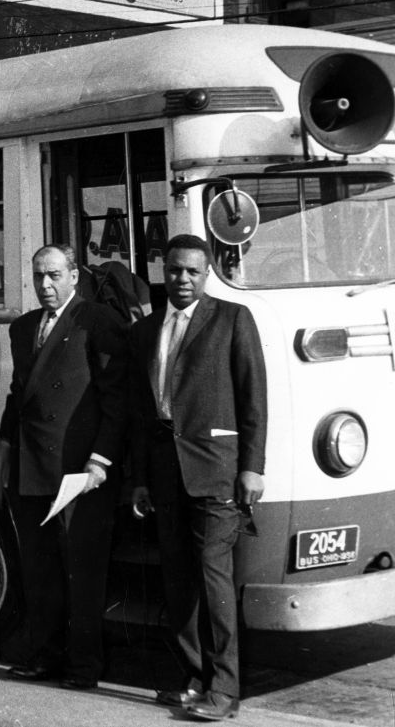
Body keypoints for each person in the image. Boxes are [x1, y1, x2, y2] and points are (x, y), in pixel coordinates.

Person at [129, 234, 267, 722]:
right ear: (162, 273)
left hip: (217, 472)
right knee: (178, 583)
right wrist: (142, 478)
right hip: (166, 474)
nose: (182, 280)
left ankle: (224, 691)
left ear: (207, 273)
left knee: (214, 581)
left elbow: (253, 399)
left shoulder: (232, 319)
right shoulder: (147, 331)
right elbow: (143, 413)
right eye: (173, 271)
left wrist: (252, 466)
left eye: (191, 271)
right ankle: (193, 678)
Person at [0, 244, 128, 690]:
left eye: (54, 276)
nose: (45, 286)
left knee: (82, 572)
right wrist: (5, 442)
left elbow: (115, 398)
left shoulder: (98, 322)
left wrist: (99, 461)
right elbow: (18, 393)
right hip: (31, 465)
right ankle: (45, 656)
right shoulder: (25, 328)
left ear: (73, 276)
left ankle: (85, 666)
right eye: (38, 277)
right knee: (39, 570)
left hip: (77, 472)